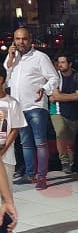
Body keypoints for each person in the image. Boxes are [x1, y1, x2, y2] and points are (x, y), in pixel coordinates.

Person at [4, 27, 59, 189]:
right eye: (18, 39)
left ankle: (41, 177)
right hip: (18, 107)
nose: (21, 42)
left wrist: (45, 89)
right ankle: (30, 175)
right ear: (14, 40)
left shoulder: (40, 57)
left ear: (30, 40)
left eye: (24, 39)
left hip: (35, 105)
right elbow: (5, 80)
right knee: (26, 143)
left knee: (40, 142)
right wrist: (10, 60)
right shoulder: (12, 58)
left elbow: (54, 78)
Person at [48, 53, 78, 175]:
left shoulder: (77, 76)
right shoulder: (56, 76)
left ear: (70, 64)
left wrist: (61, 96)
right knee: (61, 132)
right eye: (59, 62)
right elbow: (57, 96)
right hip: (57, 110)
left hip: (73, 112)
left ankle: (70, 163)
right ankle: (64, 161)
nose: (60, 65)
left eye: (63, 62)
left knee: (70, 140)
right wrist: (73, 96)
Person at [0, 67, 25, 233]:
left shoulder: (11, 103)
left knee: (6, 190)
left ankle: (7, 229)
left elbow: (15, 128)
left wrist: (3, 149)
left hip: (6, 154)